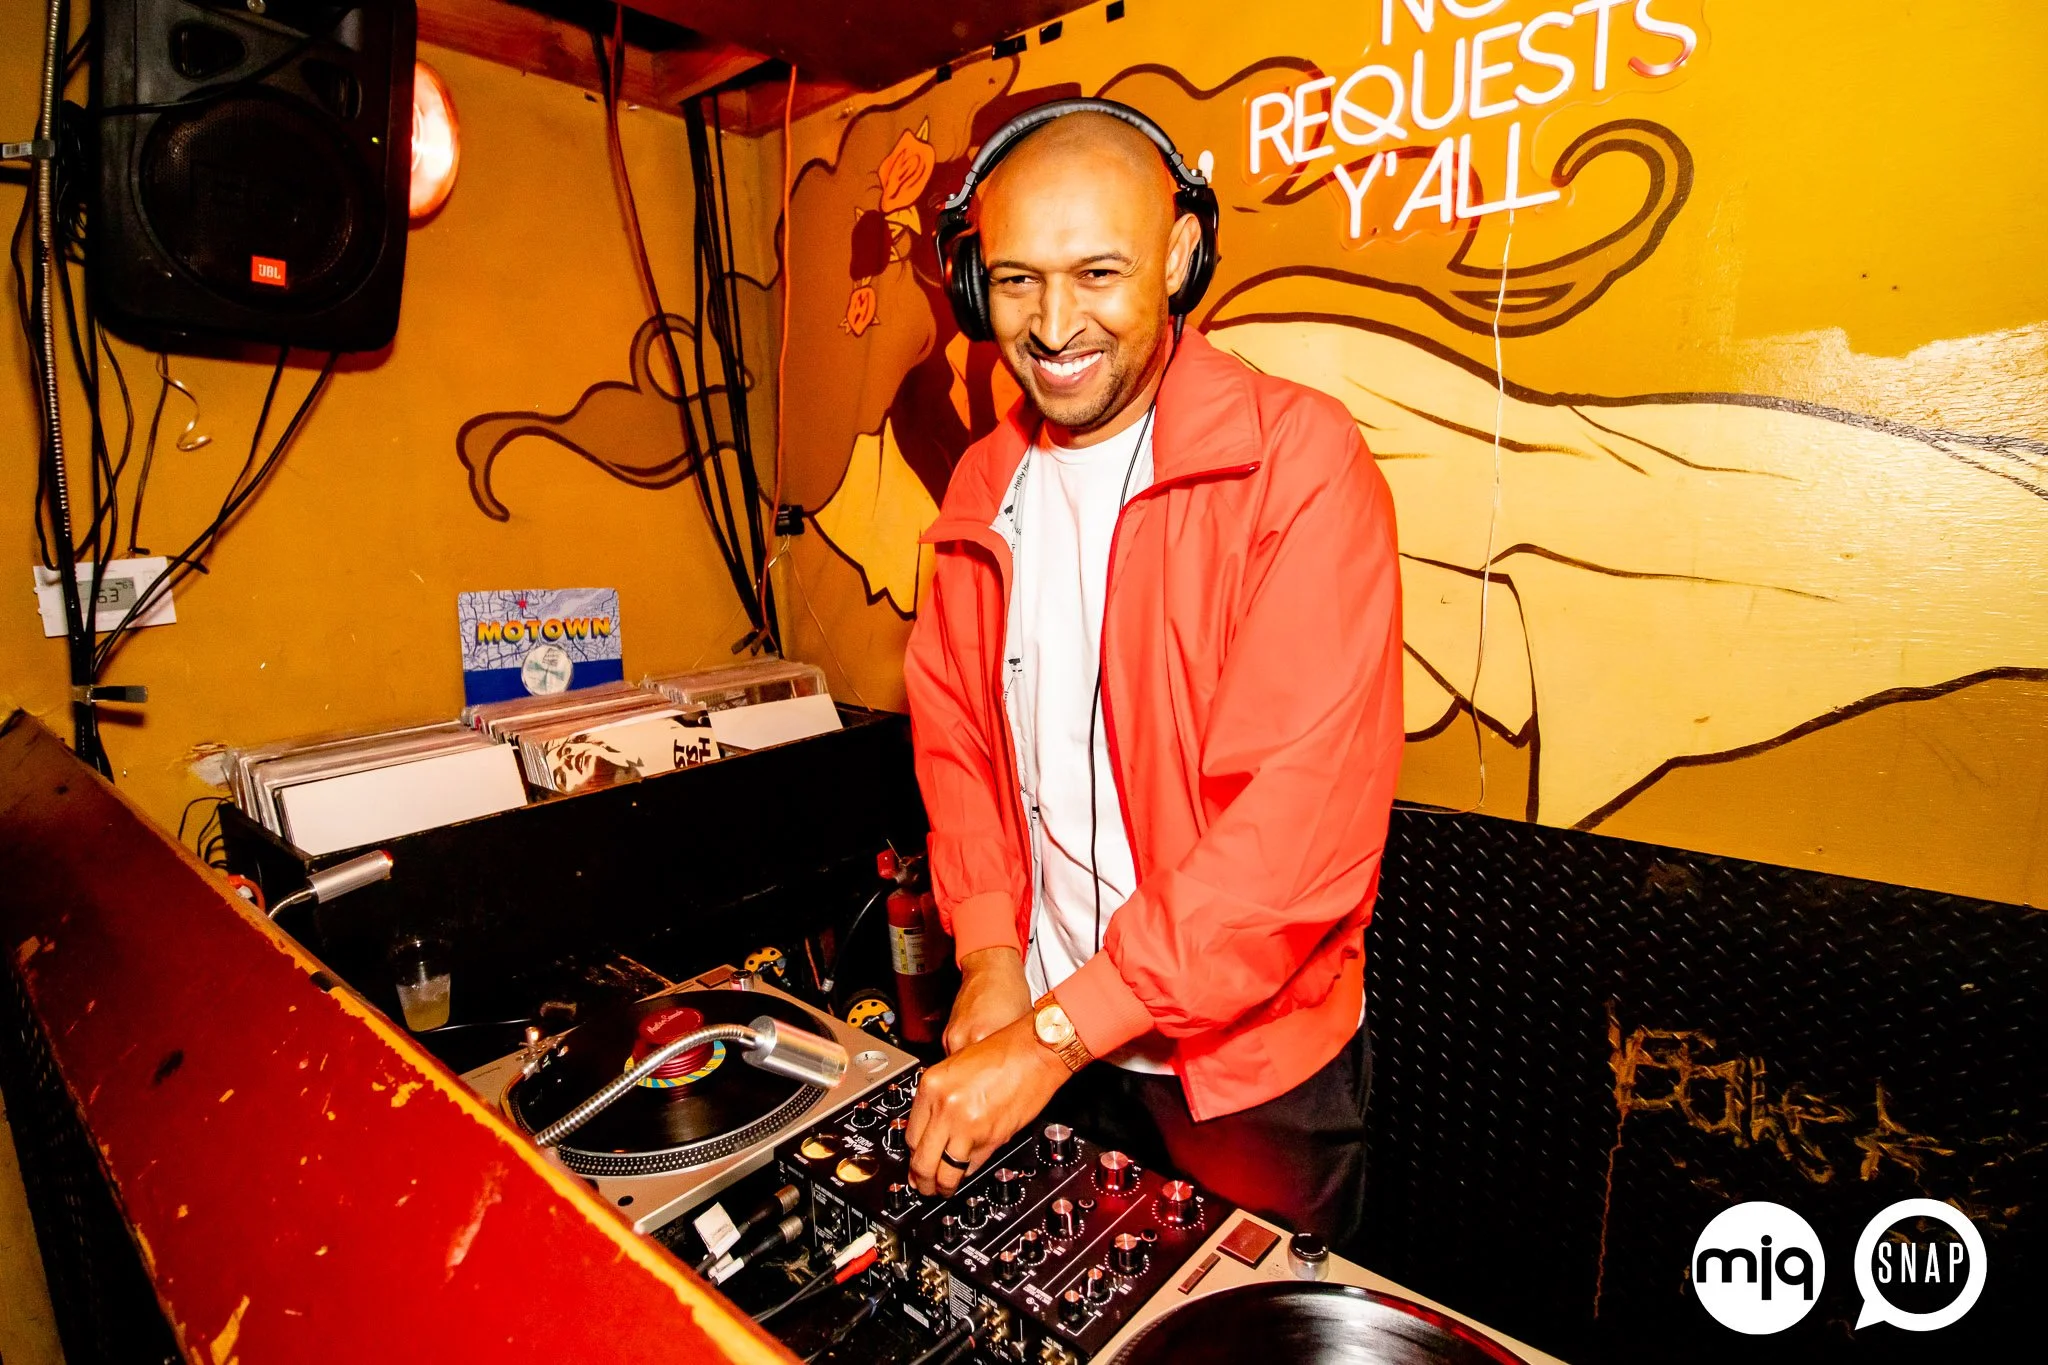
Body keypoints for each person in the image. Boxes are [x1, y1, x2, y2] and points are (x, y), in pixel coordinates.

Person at [900, 100, 1403, 1246]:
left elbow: (1291, 835)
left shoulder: (1298, 464)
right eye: (1016, 281)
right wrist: (989, 953)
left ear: (1178, 256)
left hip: (1239, 1070)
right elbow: (957, 742)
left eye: (1097, 273)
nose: (1051, 324)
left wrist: (1051, 1036)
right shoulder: (981, 484)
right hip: (1046, 1032)